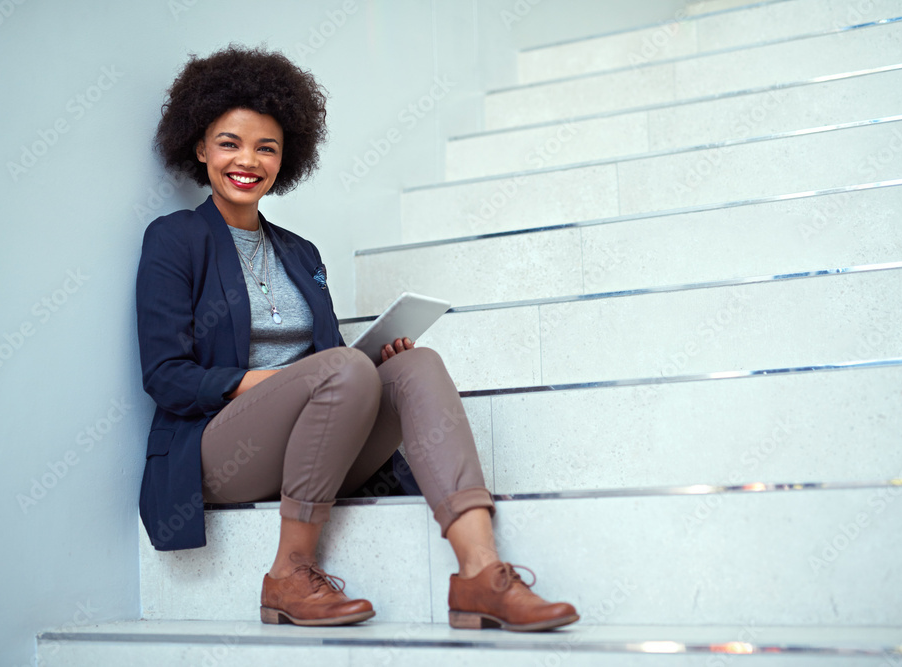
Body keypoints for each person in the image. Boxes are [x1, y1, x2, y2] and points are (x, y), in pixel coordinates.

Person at [136, 44, 578, 632]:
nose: (248, 160)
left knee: (415, 367)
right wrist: (267, 382)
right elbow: (166, 376)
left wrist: (377, 364)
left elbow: (327, 366)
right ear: (199, 147)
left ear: (285, 157)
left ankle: (481, 574)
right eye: (229, 143)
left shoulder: (300, 252)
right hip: (217, 453)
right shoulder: (174, 239)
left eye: (266, 147)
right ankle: (288, 574)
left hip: (311, 444)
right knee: (344, 368)